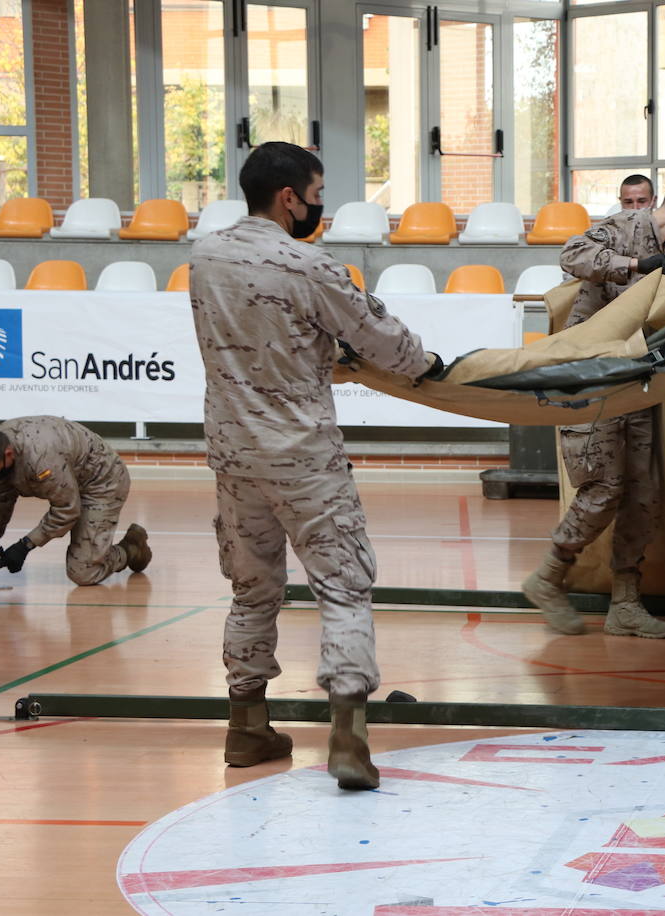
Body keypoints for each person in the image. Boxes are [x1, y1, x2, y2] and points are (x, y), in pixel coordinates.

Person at [189, 141, 444, 790]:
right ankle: (349, 739)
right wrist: (434, 370)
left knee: (252, 591)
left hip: (233, 457)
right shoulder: (309, 265)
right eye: (318, 195)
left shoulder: (204, 255)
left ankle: (246, 728)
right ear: (289, 198)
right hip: (303, 459)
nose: (320, 208)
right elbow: (379, 338)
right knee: (344, 587)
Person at [522, 177, 665, 639]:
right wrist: (634, 262)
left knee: (642, 492)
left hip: (634, 383)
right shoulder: (626, 226)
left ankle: (625, 603)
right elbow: (571, 256)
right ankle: (547, 577)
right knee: (603, 489)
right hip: (592, 382)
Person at [0, 417, 151, 586]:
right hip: (67, 476)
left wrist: (25, 545)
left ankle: (132, 548)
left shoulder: (41, 459)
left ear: (8, 454)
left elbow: (66, 510)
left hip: (100, 483)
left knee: (84, 572)